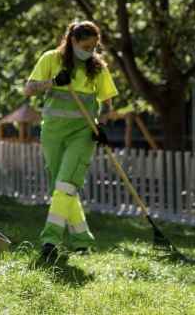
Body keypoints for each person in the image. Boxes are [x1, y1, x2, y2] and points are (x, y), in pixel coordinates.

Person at [23, 21, 118, 262]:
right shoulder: (51, 59)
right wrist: (53, 82)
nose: (91, 51)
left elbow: (107, 104)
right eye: (86, 45)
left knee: (65, 185)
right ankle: (82, 241)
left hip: (82, 134)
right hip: (52, 133)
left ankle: (50, 241)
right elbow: (29, 89)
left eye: (94, 46)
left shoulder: (97, 68)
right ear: (73, 41)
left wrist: (102, 125)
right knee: (62, 188)